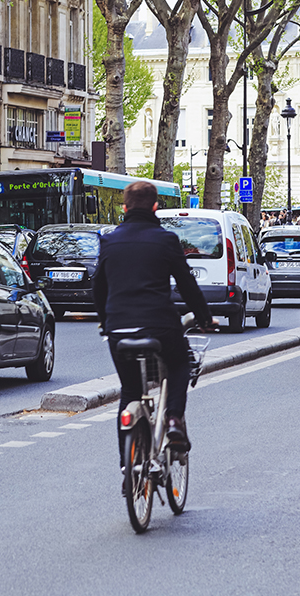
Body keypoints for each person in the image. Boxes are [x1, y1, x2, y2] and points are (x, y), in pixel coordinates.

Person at [93, 180, 217, 472]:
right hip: (160, 325)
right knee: (178, 366)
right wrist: (204, 317)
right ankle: (173, 419)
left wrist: (105, 320)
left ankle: (127, 462)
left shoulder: (109, 241)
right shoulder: (166, 240)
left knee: (130, 390)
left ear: (124, 208)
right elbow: (187, 285)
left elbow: (98, 287)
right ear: (155, 208)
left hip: (118, 328)